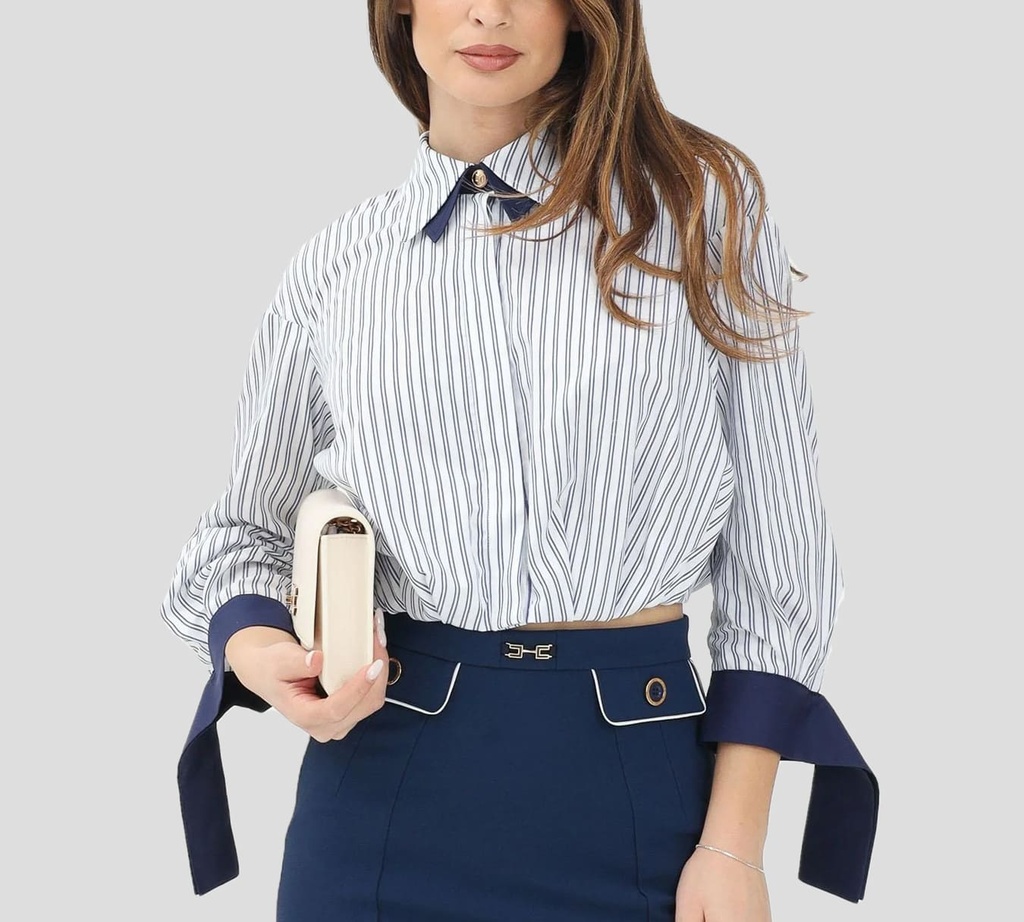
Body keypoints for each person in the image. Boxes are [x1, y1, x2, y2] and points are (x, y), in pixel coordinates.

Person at [160, 2, 878, 920]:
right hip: (378, 802)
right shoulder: (336, 268)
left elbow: (780, 557)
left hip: (641, 797)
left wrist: (734, 845)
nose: (488, 12)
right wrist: (266, 655)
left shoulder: (701, 218)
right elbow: (241, 535)